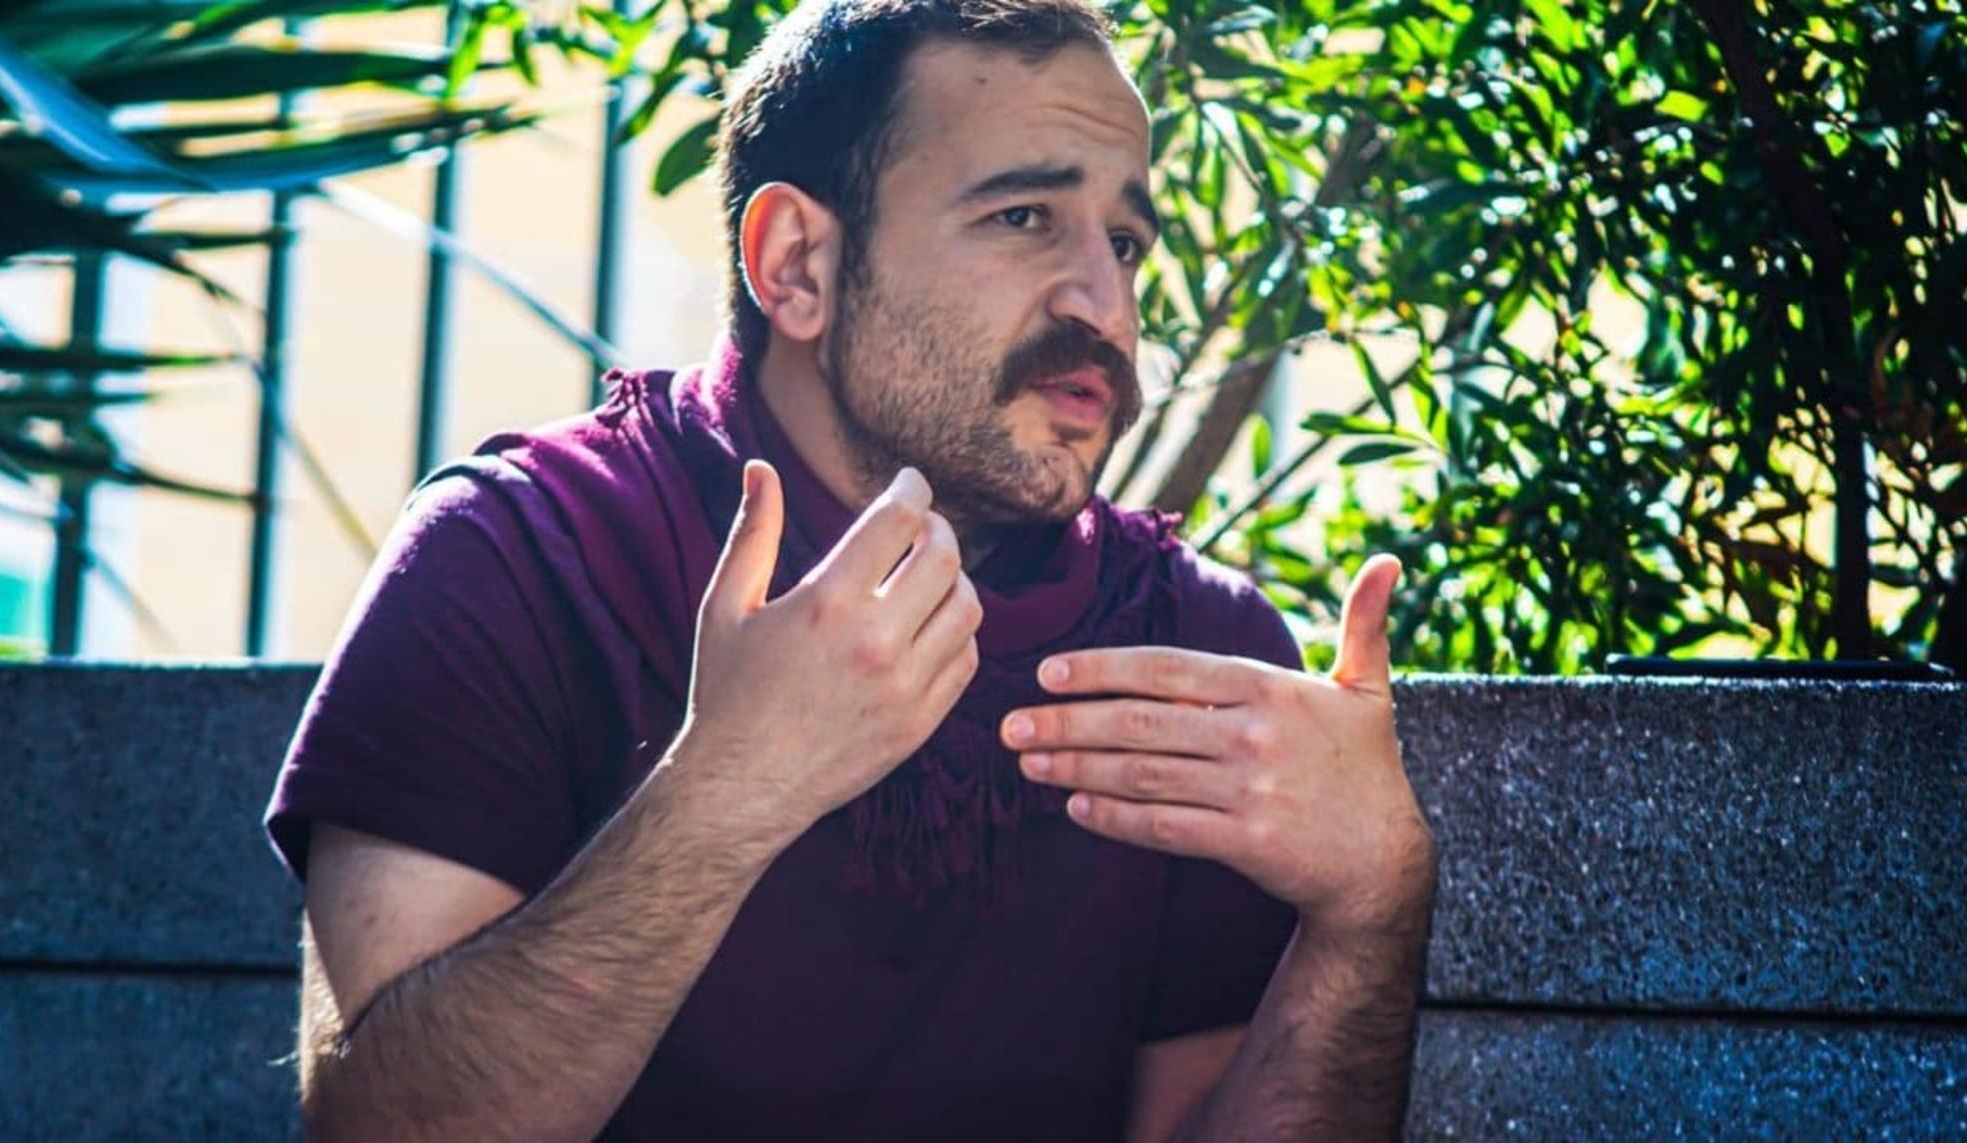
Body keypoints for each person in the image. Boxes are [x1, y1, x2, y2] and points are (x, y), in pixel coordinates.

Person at [264, 0, 1438, 1137]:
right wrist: (729, 789)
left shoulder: (1195, 654)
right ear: (797, 264)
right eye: (1023, 216)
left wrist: (1371, 906)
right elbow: (386, 1126)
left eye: (1122, 242)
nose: (1106, 306)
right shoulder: (522, 552)